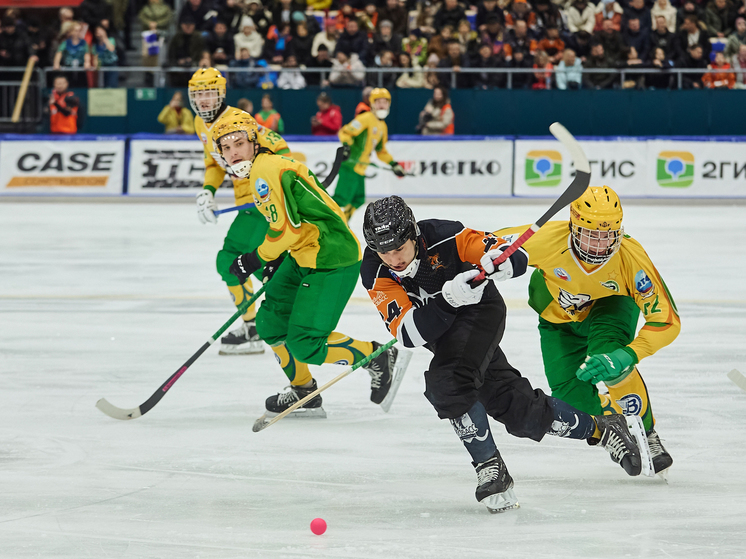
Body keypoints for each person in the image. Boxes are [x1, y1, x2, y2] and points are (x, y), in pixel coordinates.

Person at [360, 196, 646, 512]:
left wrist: (503, 262)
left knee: (448, 382)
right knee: (516, 409)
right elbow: (409, 334)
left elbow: (512, 253)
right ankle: (603, 429)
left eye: (398, 249)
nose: (392, 259)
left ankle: (490, 469)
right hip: (441, 333)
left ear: (412, 234)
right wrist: (447, 300)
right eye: (383, 252)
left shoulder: (447, 235)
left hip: (479, 313)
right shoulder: (374, 269)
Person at [210, 111, 408, 425]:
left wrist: (253, 259)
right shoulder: (263, 168)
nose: (234, 151)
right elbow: (293, 224)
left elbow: (284, 231)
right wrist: (276, 259)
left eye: (239, 143)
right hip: (306, 252)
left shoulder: (263, 172)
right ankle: (303, 389)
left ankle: (376, 355)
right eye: (226, 147)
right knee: (270, 322)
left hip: (332, 258)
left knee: (305, 344)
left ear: (254, 142)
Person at [495, 186, 678, 477]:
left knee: (605, 360)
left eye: (607, 236)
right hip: (558, 321)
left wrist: (628, 354)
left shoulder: (631, 258)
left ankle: (648, 434)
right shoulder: (545, 239)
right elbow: (480, 244)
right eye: (591, 235)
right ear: (573, 226)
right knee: (570, 397)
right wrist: (485, 263)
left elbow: (667, 320)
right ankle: (611, 426)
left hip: (610, 310)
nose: (599, 246)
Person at [188, 68, 290, 355]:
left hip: (261, 205)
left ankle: (256, 326)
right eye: (198, 95)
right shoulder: (199, 123)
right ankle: (265, 321)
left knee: (230, 261)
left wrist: (272, 185)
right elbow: (213, 163)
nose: (204, 100)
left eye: (209, 93)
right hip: (246, 204)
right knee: (251, 265)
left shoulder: (237, 121)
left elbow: (281, 148)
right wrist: (208, 191)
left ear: (221, 93)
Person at [334, 88, 406, 222]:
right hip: (350, 165)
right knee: (340, 199)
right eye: (378, 102)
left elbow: (381, 151)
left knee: (358, 199)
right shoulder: (365, 118)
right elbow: (345, 132)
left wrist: (393, 164)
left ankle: (343, 221)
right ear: (372, 104)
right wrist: (346, 146)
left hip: (360, 168)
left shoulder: (382, 126)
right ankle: (326, 223)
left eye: (385, 102)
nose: (382, 105)